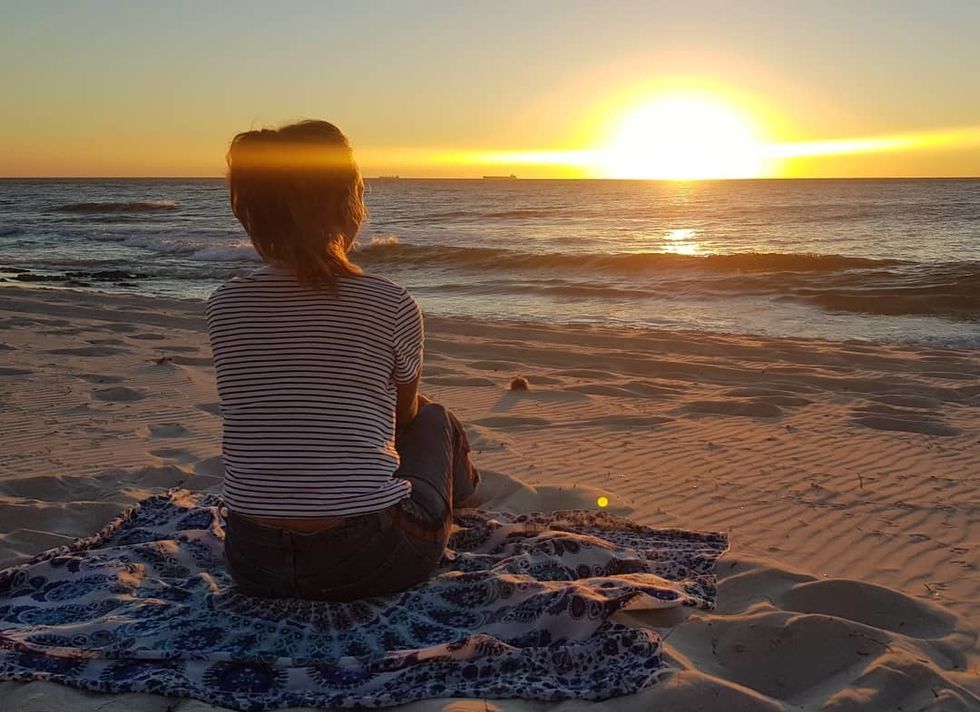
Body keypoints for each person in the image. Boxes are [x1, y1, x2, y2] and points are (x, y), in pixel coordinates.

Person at [205, 120, 479, 601]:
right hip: (367, 557)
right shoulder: (389, 302)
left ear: (251, 213)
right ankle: (466, 496)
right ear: (350, 202)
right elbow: (403, 418)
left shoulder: (224, 304)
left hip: (252, 560)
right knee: (436, 417)